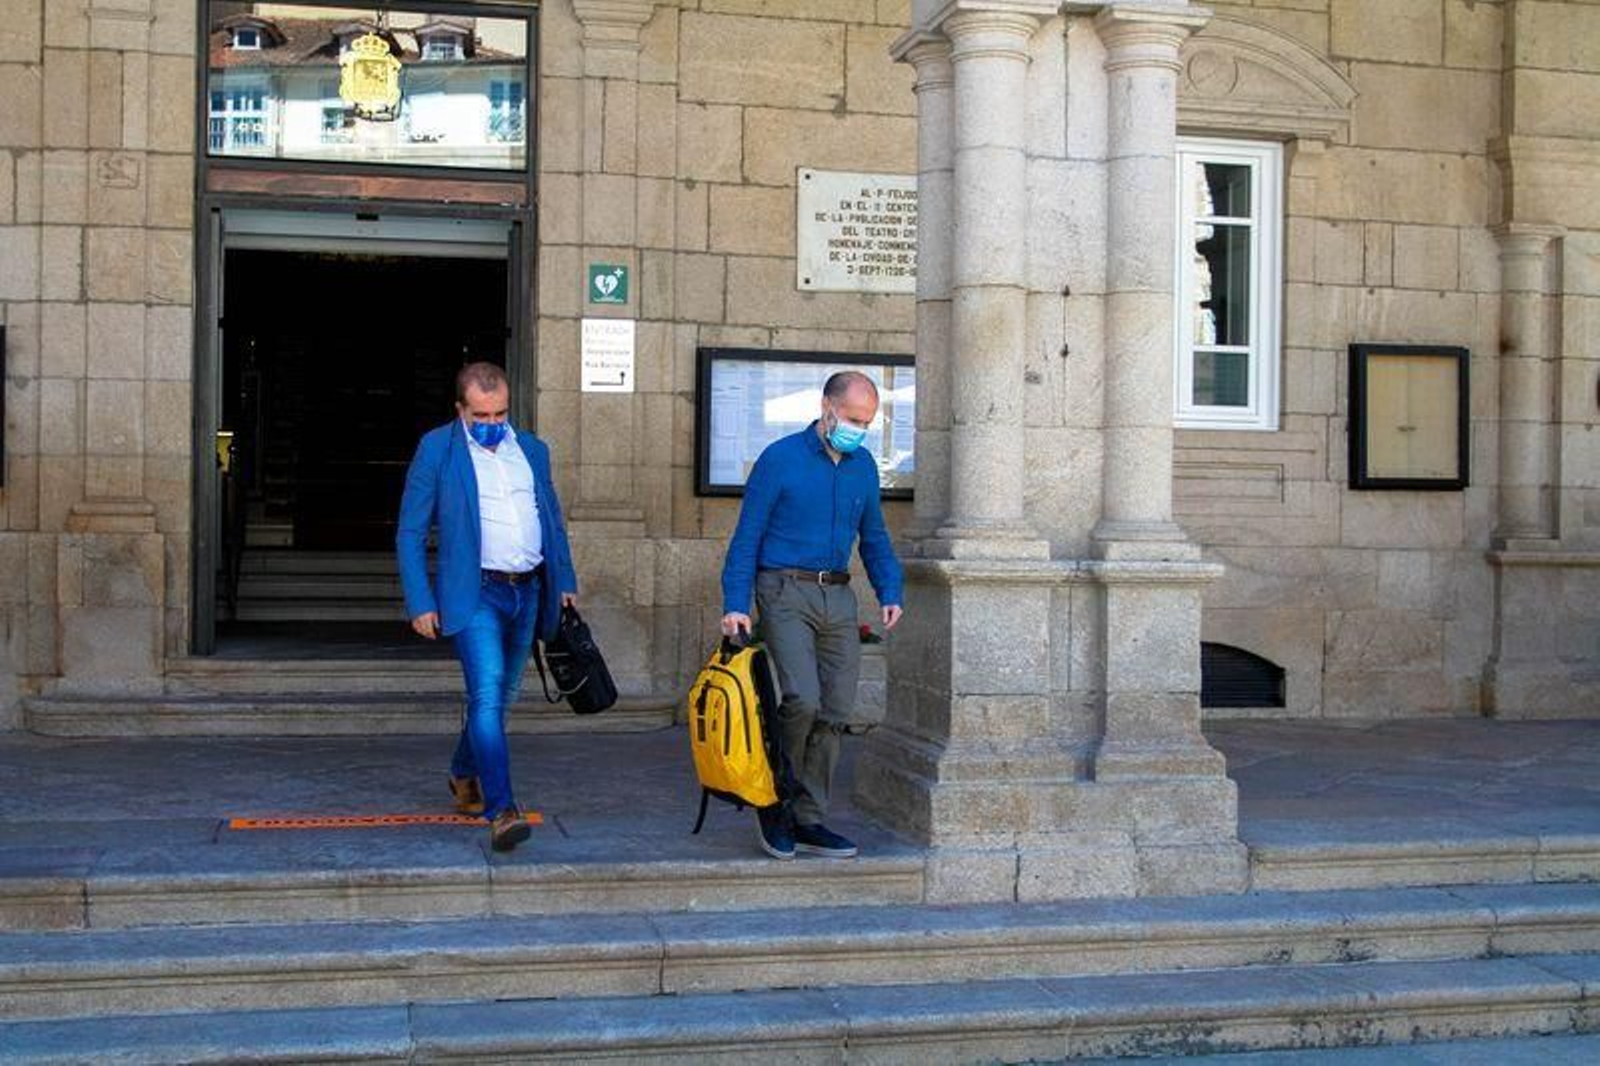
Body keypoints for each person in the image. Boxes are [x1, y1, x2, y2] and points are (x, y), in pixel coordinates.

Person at [720, 371, 905, 860]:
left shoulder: (863, 465)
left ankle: (808, 816)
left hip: (838, 596)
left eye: (866, 422)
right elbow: (747, 537)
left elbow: (876, 536)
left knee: (837, 709)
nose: (858, 429)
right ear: (827, 407)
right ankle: (772, 801)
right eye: (851, 418)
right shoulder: (780, 459)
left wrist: (890, 589)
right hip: (782, 589)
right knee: (801, 698)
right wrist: (736, 603)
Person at [396, 362, 579, 852]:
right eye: (481, 414)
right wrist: (420, 600)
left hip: (530, 588)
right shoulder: (437, 449)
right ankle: (502, 811)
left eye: (499, 412)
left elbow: (552, 519)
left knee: (502, 696)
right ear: (461, 410)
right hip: (474, 591)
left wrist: (565, 579)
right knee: (489, 693)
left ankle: (462, 770)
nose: (492, 422)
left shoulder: (532, 450)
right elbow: (411, 531)